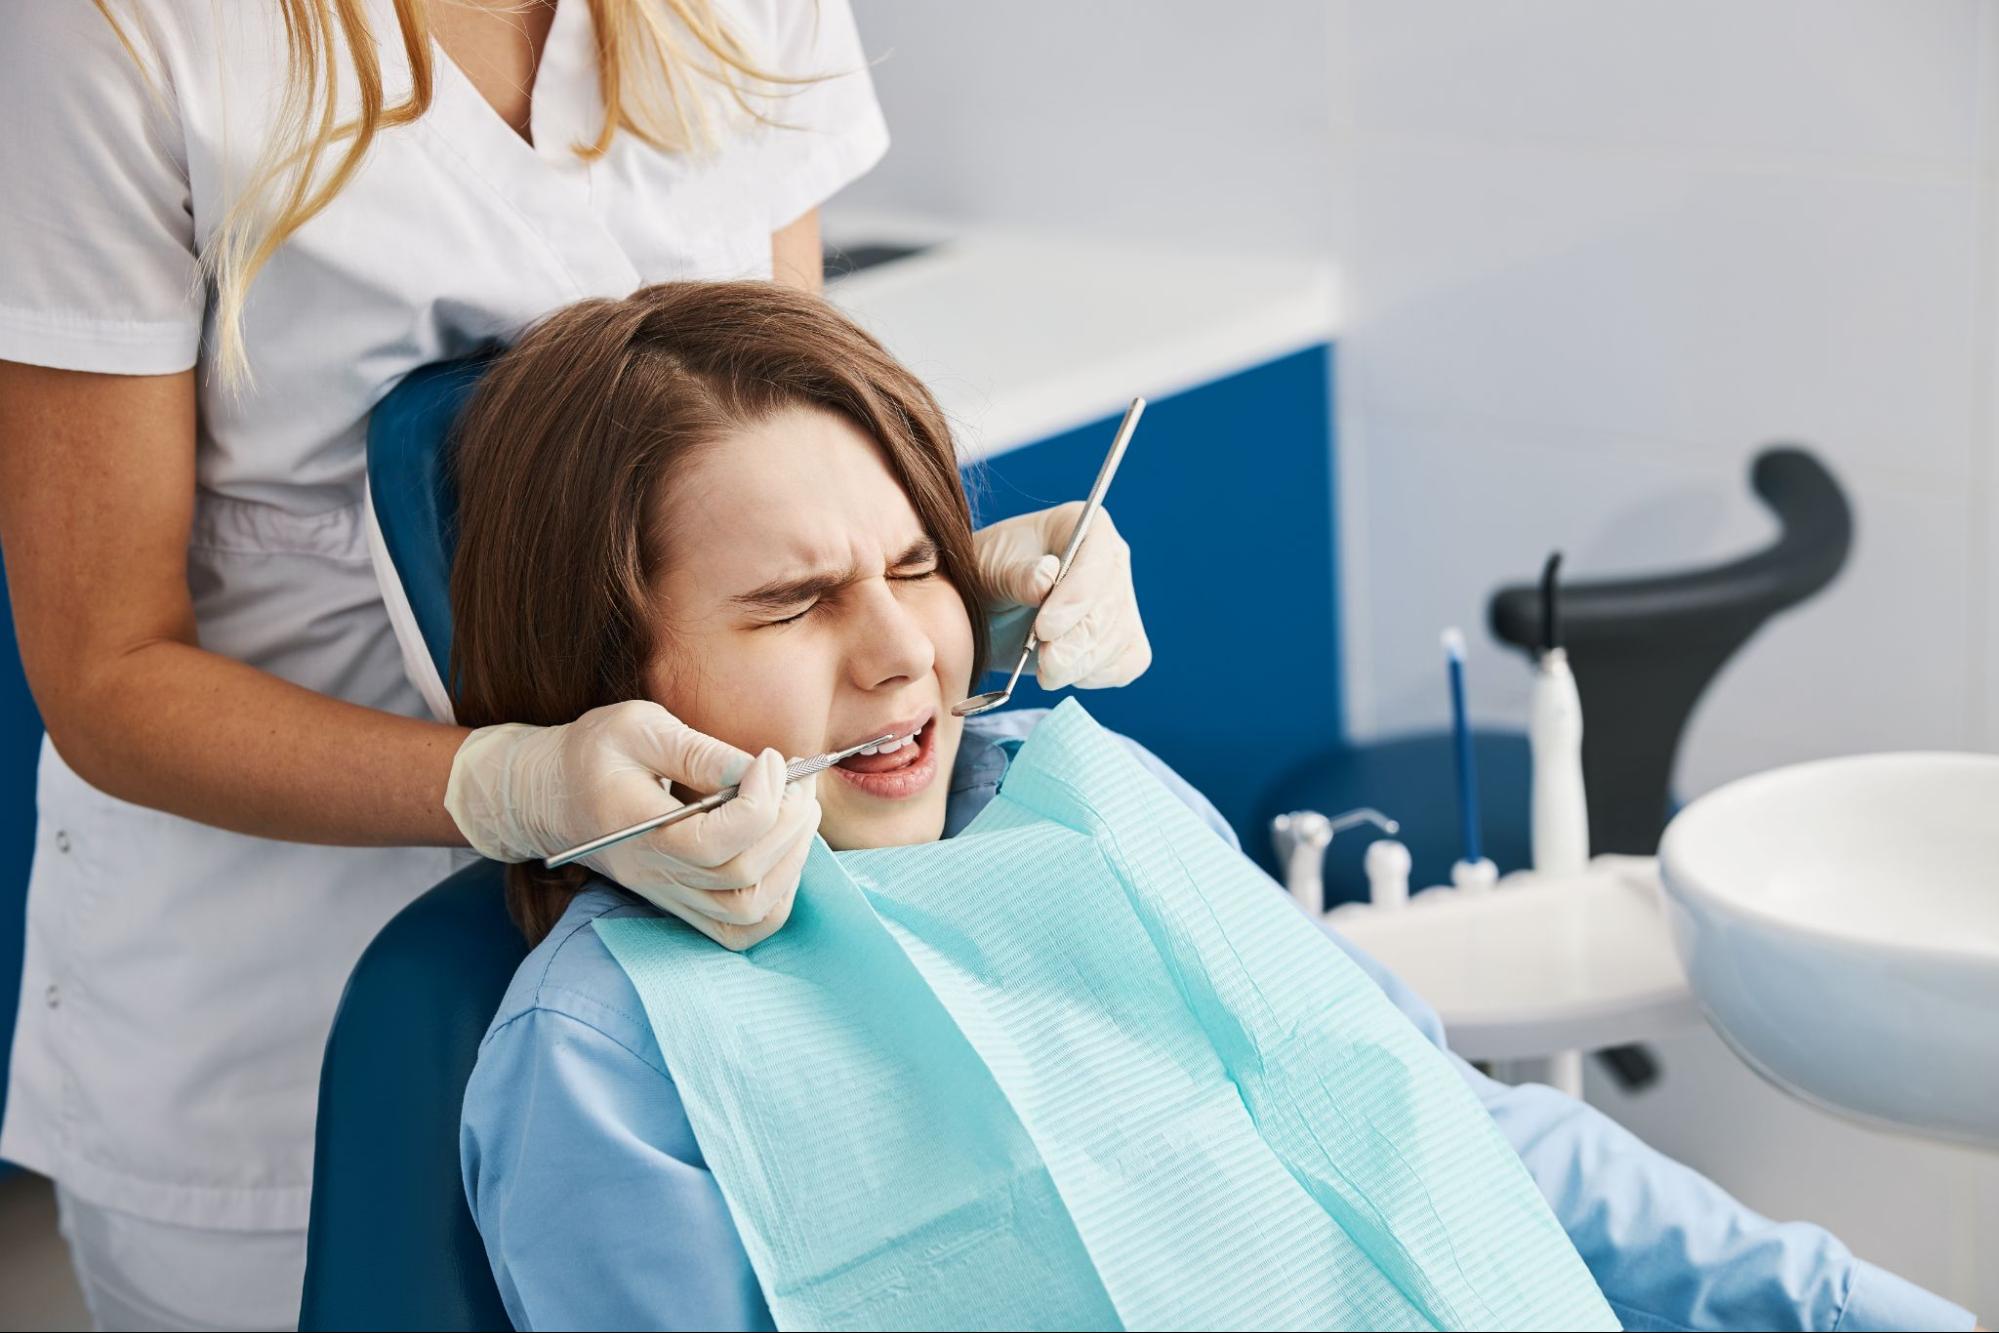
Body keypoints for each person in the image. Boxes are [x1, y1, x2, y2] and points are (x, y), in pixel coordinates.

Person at [451, 281, 1975, 1333]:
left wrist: (1840, 1300)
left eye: (918, 564)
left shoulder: (1089, 806)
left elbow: (1436, 1125)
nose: (899, 649)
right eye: (792, 602)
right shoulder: (601, 1060)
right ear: (607, 680)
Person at [0, 5, 1149, 1327]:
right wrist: (510, 787)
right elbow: (108, 671)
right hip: (270, 1018)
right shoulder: (120, 35)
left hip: (714, 981)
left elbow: (784, 438)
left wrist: (923, 598)